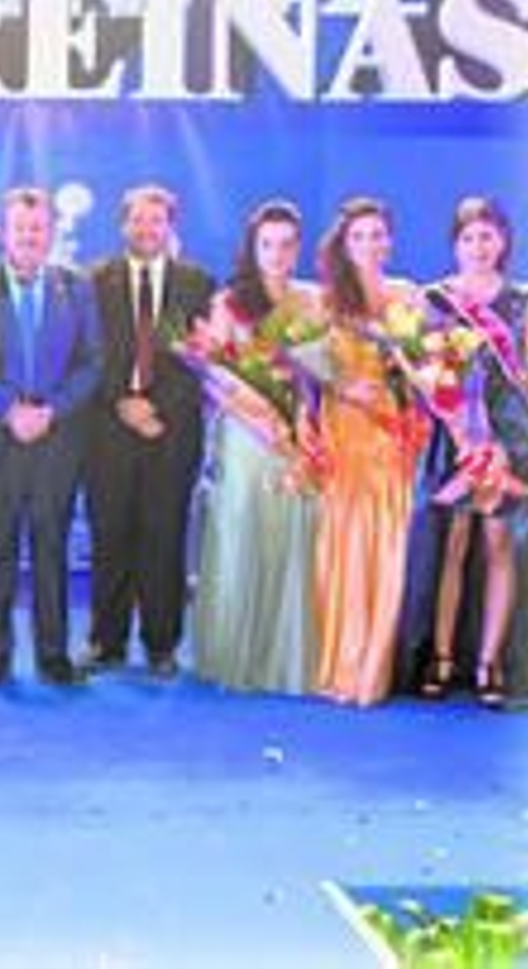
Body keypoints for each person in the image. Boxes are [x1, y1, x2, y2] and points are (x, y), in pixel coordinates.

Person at [410, 197, 528, 708]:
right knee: (451, 545)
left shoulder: (525, 300)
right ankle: (442, 654)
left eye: (488, 236)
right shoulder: (433, 299)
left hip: (511, 435)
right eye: (469, 237)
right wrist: (460, 430)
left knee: (500, 546)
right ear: (455, 244)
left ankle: (489, 663)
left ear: (504, 241)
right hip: (455, 434)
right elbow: (422, 375)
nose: (479, 246)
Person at [0, 187, 103, 689]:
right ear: (3, 232)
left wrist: (52, 410)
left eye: (38, 228)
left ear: (51, 234)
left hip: (57, 441)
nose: (29, 236)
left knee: (50, 549)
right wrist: (8, 411)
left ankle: (53, 653)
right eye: (20, 227)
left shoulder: (78, 288)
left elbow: (92, 361)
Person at [191, 201, 321, 694]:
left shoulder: (312, 301)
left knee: (291, 535)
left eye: (287, 244)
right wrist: (260, 419)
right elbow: (214, 377)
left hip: (298, 436)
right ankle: (235, 657)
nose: (278, 253)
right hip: (246, 436)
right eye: (268, 243)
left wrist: (302, 420)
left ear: (298, 248)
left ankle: (282, 659)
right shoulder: (229, 303)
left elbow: (318, 376)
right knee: (241, 530)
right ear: (253, 247)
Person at [86, 185, 213, 677]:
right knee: (110, 535)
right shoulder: (93, 280)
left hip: (171, 431)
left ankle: (162, 645)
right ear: (123, 225)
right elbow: (87, 352)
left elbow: (200, 360)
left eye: (156, 221)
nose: (146, 229)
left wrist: (154, 407)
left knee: (165, 537)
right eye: (137, 220)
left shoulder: (197, 283)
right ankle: (106, 642)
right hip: (107, 429)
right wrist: (122, 401)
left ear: (170, 226)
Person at [311, 197, 423, 707]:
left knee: (392, 538)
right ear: (344, 243)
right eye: (359, 236)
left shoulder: (408, 295)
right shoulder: (324, 300)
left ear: (391, 240)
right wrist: (338, 383)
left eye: (378, 234)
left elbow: (428, 366)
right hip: (345, 427)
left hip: (394, 427)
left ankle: (382, 663)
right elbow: (297, 363)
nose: (370, 244)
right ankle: (346, 661)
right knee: (349, 538)